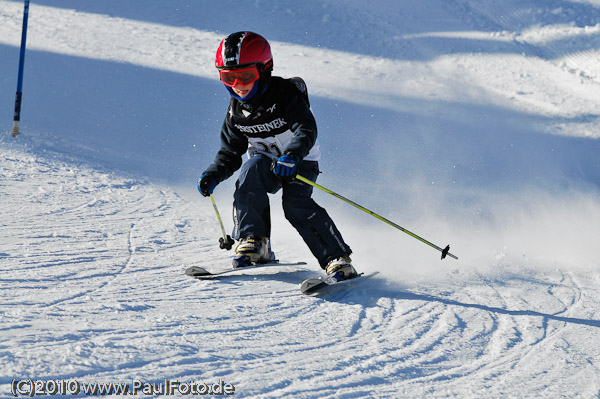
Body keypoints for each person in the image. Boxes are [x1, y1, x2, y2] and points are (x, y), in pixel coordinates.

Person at [197, 31, 357, 282]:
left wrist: (293, 155)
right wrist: (213, 173)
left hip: (299, 161)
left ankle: (337, 260)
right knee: (250, 173)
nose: (238, 85)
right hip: (266, 163)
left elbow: (306, 128)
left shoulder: (284, 95)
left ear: (264, 69)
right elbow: (230, 151)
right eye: (229, 77)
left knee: (295, 206)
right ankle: (255, 242)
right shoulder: (235, 112)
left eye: (245, 75)